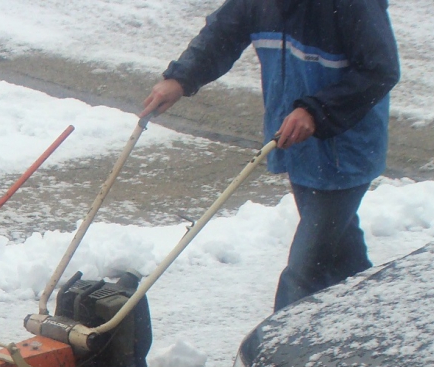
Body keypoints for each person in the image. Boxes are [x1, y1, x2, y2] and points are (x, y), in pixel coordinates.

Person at [141, 0, 399, 311]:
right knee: (342, 254)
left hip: (344, 151)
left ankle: (272, 355)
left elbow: (380, 70)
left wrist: (317, 111)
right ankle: (369, 318)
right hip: (299, 147)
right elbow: (223, 33)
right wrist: (180, 79)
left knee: (305, 271)